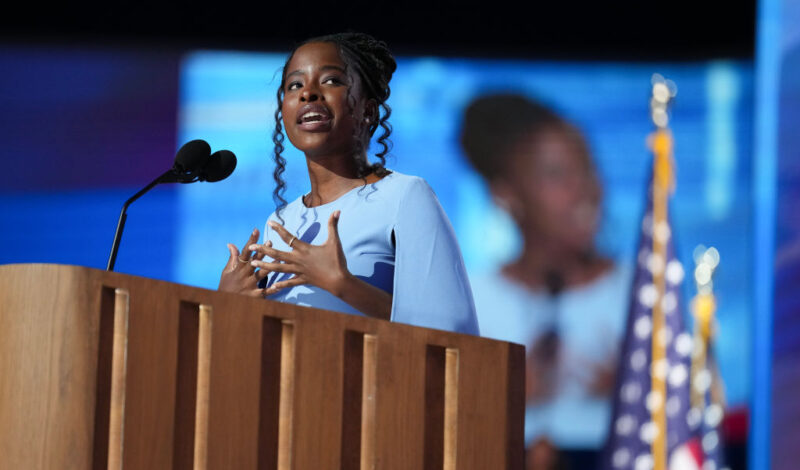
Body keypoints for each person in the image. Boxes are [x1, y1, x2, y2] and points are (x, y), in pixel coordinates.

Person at [217, 32, 479, 336]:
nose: (308, 94)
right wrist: (229, 302)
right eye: (295, 85)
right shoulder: (281, 221)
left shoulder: (404, 196)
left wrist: (342, 284)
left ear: (368, 110)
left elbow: (453, 333)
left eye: (331, 81)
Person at [460, 94, 630, 469]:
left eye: (588, 168)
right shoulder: (470, 300)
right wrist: (495, 397)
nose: (585, 188)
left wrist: (637, 391)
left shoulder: (641, 291)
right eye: (557, 175)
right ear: (505, 195)